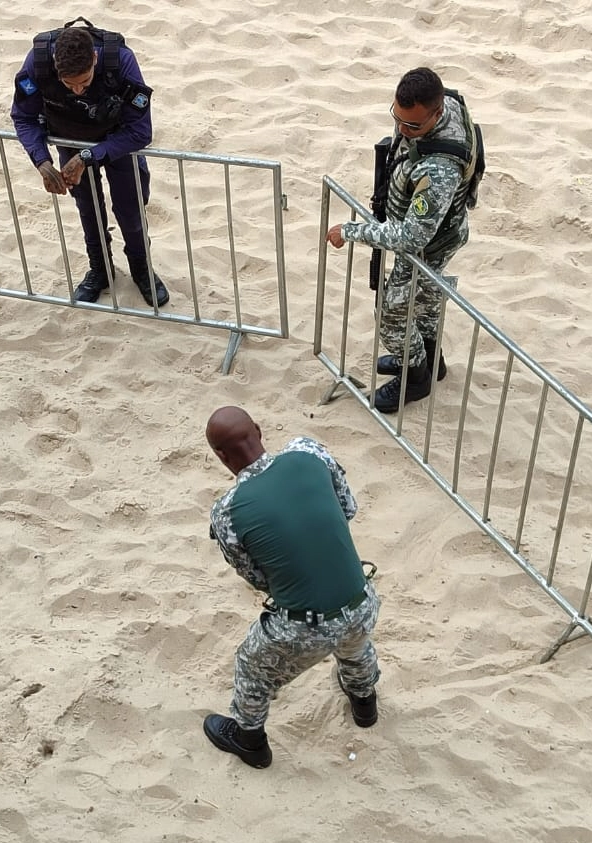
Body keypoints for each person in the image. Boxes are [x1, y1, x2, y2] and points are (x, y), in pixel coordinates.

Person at [202, 406, 381, 769]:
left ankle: (250, 739)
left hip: (304, 626)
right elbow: (347, 508)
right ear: (259, 430)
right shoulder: (308, 450)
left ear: (220, 456)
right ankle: (364, 702)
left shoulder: (226, 511)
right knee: (354, 642)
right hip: (362, 601)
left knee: (252, 666)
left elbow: (255, 576)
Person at [327, 67, 483, 413]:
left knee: (393, 313)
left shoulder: (439, 169)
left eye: (413, 126)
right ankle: (431, 362)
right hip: (440, 233)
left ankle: (415, 378)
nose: (402, 130)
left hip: (429, 243)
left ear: (437, 112)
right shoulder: (446, 102)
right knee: (426, 299)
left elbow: (411, 236)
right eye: (397, 119)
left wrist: (351, 231)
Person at [11, 18, 169, 307]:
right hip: (69, 138)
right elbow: (23, 116)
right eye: (68, 84)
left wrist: (89, 156)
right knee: (87, 206)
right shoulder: (39, 62)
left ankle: (142, 269)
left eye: (84, 81)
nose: (77, 91)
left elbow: (140, 131)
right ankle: (100, 270)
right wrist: (42, 161)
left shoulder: (120, 60)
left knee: (130, 208)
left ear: (95, 59)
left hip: (118, 143)